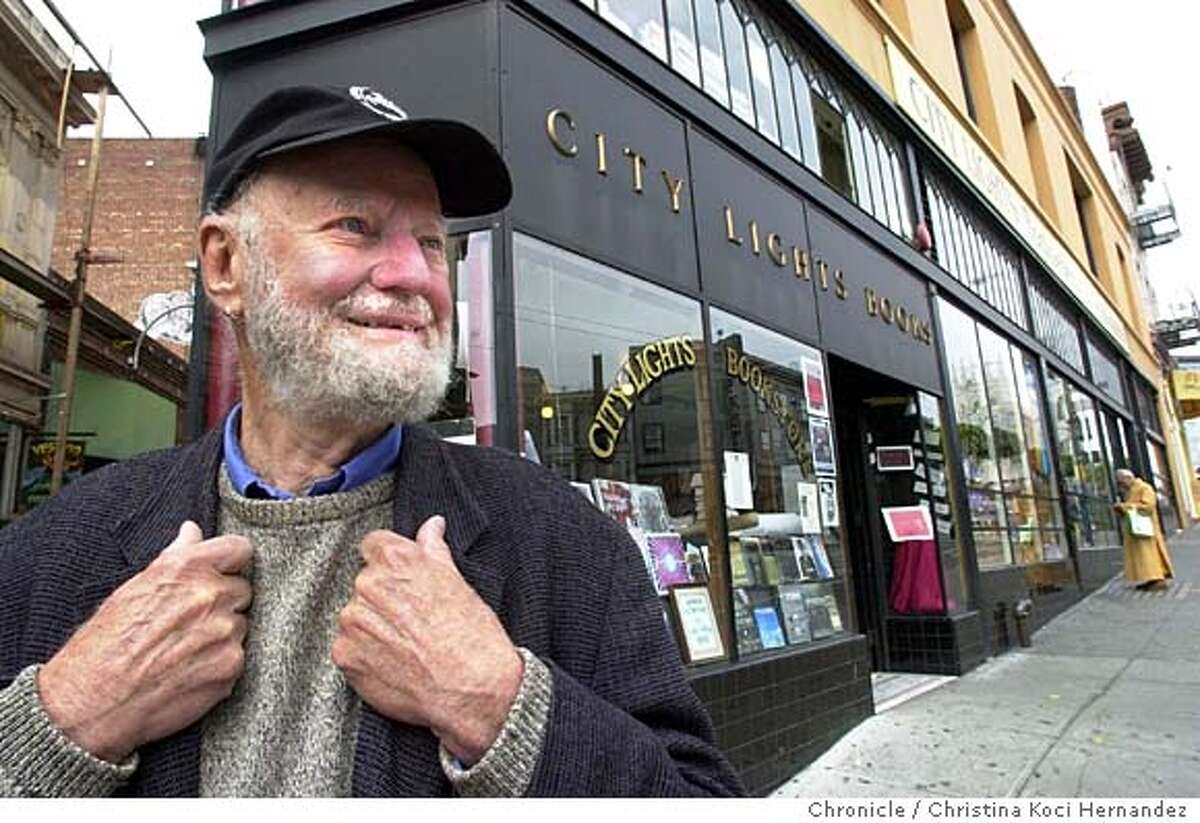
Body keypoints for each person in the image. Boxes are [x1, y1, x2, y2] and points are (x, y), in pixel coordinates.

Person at [0, 85, 744, 798]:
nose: (415, 274)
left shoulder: (567, 544)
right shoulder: (57, 548)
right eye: (355, 225)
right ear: (227, 264)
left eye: (430, 240)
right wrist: (69, 714)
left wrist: (496, 703)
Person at [1113, 468, 1175, 591]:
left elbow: (1148, 506)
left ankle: (1157, 578)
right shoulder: (1132, 490)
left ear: (1128, 478)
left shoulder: (1144, 488)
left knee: (1149, 554)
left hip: (1146, 528)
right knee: (1142, 556)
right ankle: (1149, 578)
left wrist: (1125, 507)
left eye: (1121, 482)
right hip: (1137, 529)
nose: (1121, 486)